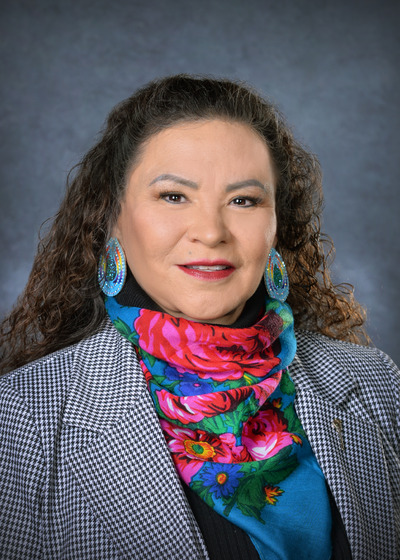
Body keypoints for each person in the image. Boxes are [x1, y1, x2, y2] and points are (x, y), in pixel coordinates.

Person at [0, 75, 398, 560]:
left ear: (277, 225)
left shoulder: (378, 385)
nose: (211, 232)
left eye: (244, 200)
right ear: (112, 215)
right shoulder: (20, 420)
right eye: (173, 196)